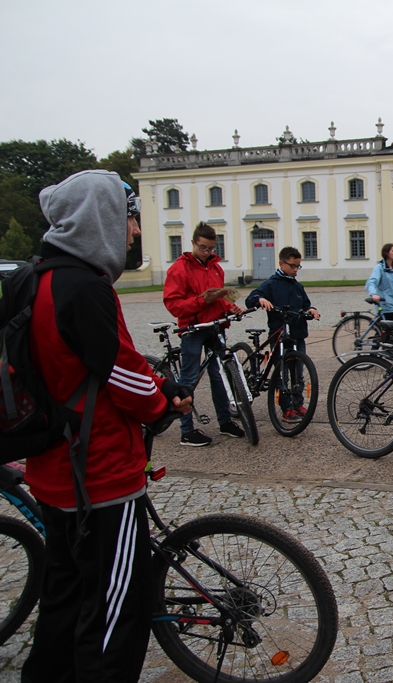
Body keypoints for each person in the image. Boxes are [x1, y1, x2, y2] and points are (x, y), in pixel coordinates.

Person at [23, 170, 192, 683]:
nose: (135, 231)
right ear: (101, 218)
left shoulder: (35, 279)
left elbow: (74, 362)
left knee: (63, 600)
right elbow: (121, 376)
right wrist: (166, 403)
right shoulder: (84, 288)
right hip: (97, 475)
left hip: (52, 466)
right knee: (116, 613)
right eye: (129, 218)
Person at [163, 222, 246, 446]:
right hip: (193, 329)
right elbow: (173, 304)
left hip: (215, 327)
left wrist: (231, 307)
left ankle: (225, 421)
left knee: (219, 376)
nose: (207, 252)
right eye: (203, 248)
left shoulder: (215, 267)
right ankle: (186, 431)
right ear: (193, 243)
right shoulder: (179, 269)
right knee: (189, 379)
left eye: (211, 248)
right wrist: (201, 301)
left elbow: (220, 297)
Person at [245, 247, 320, 420]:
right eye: (292, 266)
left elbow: (306, 304)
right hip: (280, 333)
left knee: (298, 373)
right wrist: (260, 299)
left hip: (297, 334)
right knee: (282, 373)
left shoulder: (297, 286)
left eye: (298, 267)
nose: (295, 270)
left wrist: (311, 310)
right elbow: (252, 297)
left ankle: (298, 403)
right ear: (281, 263)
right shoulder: (272, 284)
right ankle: (286, 407)